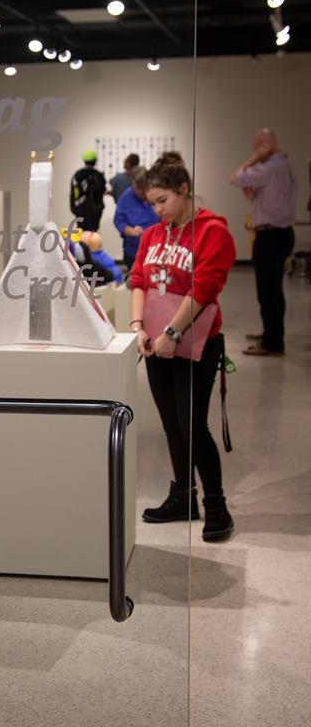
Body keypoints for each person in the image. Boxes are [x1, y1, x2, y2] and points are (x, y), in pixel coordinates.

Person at [129, 152, 236, 541]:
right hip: (156, 343)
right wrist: (138, 326)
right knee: (172, 425)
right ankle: (183, 497)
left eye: (163, 201)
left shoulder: (212, 231)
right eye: (152, 203)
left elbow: (205, 287)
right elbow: (138, 279)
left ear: (184, 190)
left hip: (196, 342)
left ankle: (216, 504)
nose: (157, 210)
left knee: (193, 424)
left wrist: (172, 335)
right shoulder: (155, 234)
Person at [230, 129, 296, 356]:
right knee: (273, 290)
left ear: (264, 146)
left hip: (271, 237)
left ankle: (272, 342)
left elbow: (235, 178)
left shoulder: (270, 167)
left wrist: (254, 159)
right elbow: (256, 196)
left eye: (256, 148)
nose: (254, 152)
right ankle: (271, 333)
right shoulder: (284, 166)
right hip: (281, 233)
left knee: (268, 292)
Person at [114, 165, 160, 270]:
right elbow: (118, 220)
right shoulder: (126, 197)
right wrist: (131, 231)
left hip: (156, 251)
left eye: (143, 188)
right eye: (137, 188)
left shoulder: (156, 194)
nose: (140, 192)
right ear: (132, 184)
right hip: (133, 251)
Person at [69, 149, 106, 231]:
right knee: (93, 233)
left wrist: (75, 208)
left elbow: (74, 192)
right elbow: (102, 190)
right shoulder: (99, 175)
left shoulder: (77, 175)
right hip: (95, 210)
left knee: (81, 232)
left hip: (80, 210)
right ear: (95, 161)